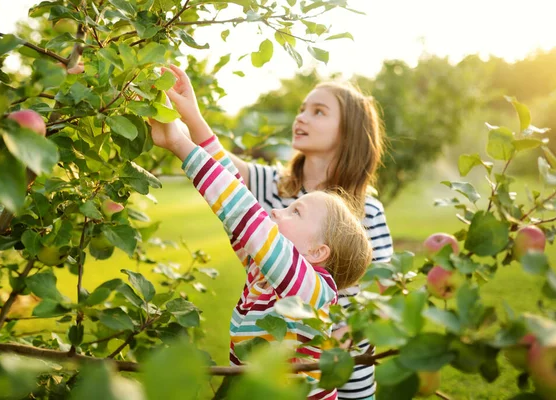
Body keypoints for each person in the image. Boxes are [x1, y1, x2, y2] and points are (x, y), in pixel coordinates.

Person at [155, 65, 394, 400]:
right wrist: (188, 117)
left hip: (343, 372)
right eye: (301, 109)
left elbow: (243, 213)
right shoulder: (274, 185)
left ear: (348, 132)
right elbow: (231, 193)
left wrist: (347, 333)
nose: (302, 117)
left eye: (319, 111)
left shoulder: (365, 214)